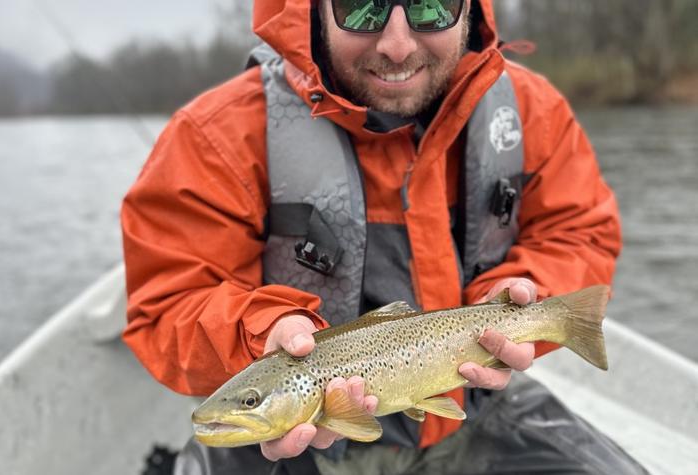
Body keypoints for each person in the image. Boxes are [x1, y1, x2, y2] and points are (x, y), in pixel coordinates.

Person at [121, 1, 646, 473]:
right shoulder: (214, 135)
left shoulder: (536, 112)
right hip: (294, 449)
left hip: (475, 410)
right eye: (363, 7)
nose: (397, 44)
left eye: (431, 6)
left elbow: (580, 232)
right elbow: (166, 304)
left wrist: (521, 294)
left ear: (471, 10)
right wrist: (262, 332)